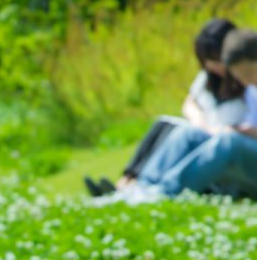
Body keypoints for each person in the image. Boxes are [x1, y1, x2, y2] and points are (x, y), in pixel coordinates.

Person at [124, 28, 257, 200]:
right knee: (189, 133)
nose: (247, 83)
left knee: (229, 143)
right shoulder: (256, 86)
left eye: (248, 74)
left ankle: (162, 194)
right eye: (241, 78)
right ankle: (140, 187)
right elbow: (252, 128)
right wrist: (241, 130)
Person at [85, 18, 247, 197]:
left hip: (218, 139)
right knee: (163, 124)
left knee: (179, 132)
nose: (214, 66)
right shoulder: (209, 79)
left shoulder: (246, 77)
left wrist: (209, 128)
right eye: (209, 61)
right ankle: (125, 183)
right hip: (204, 129)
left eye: (216, 59)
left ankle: (138, 188)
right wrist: (199, 121)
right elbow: (190, 102)